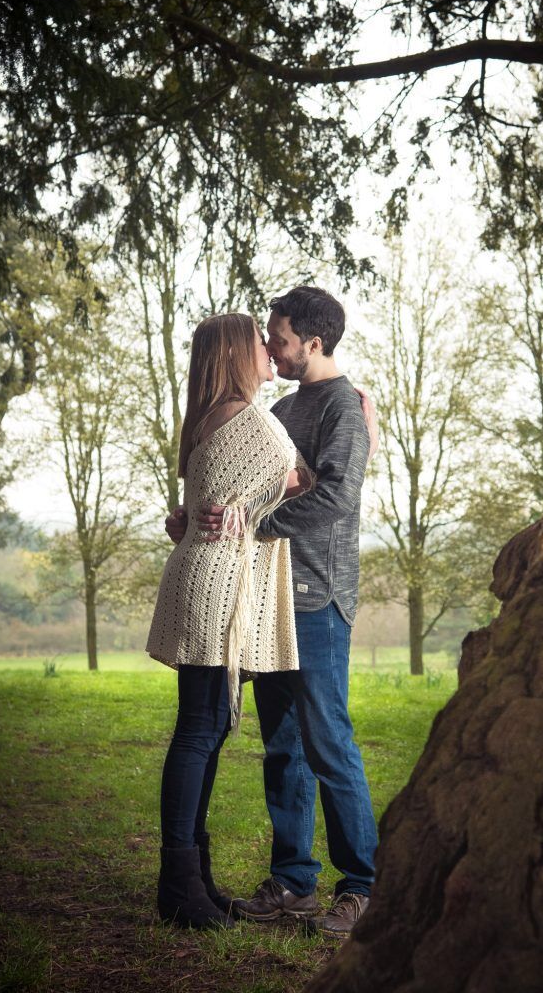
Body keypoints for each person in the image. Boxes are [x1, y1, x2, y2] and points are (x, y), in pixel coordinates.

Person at [166, 286, 379, 939]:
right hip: (267, 602)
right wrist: (197, 515)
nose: (270, 347)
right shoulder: (282, 406)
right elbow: (236, 481)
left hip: (319, 597)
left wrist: (250, 521)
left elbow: (337, 496)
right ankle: (293, 882)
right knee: (282, 748)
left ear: (312, 343)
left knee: (328, 744)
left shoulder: (345, 405)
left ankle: (362, 886)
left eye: (279, 337)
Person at [147, 312, 314, 930]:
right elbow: (304, 481)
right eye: (258, 343)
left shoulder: (206, 420)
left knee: (204, 728)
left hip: (202, 578)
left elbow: (216, 503)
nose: (269, 349)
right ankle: (178, 885)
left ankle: (192, 879)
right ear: (235, 356)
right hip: (218, 588)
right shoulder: (254, 425)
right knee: (199, 730)